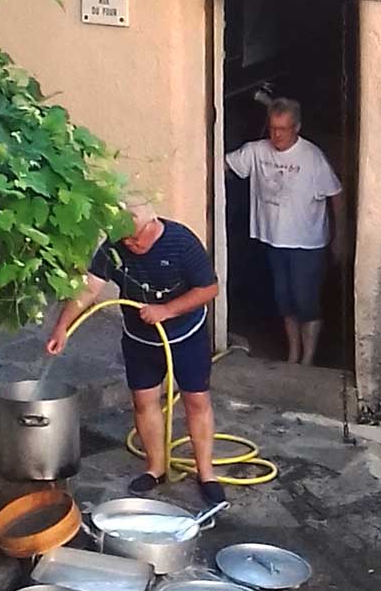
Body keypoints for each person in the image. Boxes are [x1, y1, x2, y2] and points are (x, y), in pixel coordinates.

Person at [46, 195, 226, 505]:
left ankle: (206, 473)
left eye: (134, 238)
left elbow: (209, 288)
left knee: (196, 401)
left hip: (186, 336)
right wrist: (61, 327)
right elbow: (89, 289)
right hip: (140, 340)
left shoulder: (181, 242)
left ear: (151, 224)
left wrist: (167, 310)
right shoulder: (114, 247)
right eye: (124, 239)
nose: (129, 244)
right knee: (144, 401)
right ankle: (155, 468)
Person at [226, 98, 342, 366]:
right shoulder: (256, 151)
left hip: (307, 244)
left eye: (283, 129)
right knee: (284, 301)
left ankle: (308, 360)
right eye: (273, 128)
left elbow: (336, 194)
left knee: (306, 302)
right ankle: (293, 355)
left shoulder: (312, 157)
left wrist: (341, 236)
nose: (276, 135)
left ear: (297, 127)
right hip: (274, 240)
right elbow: (221, 164)